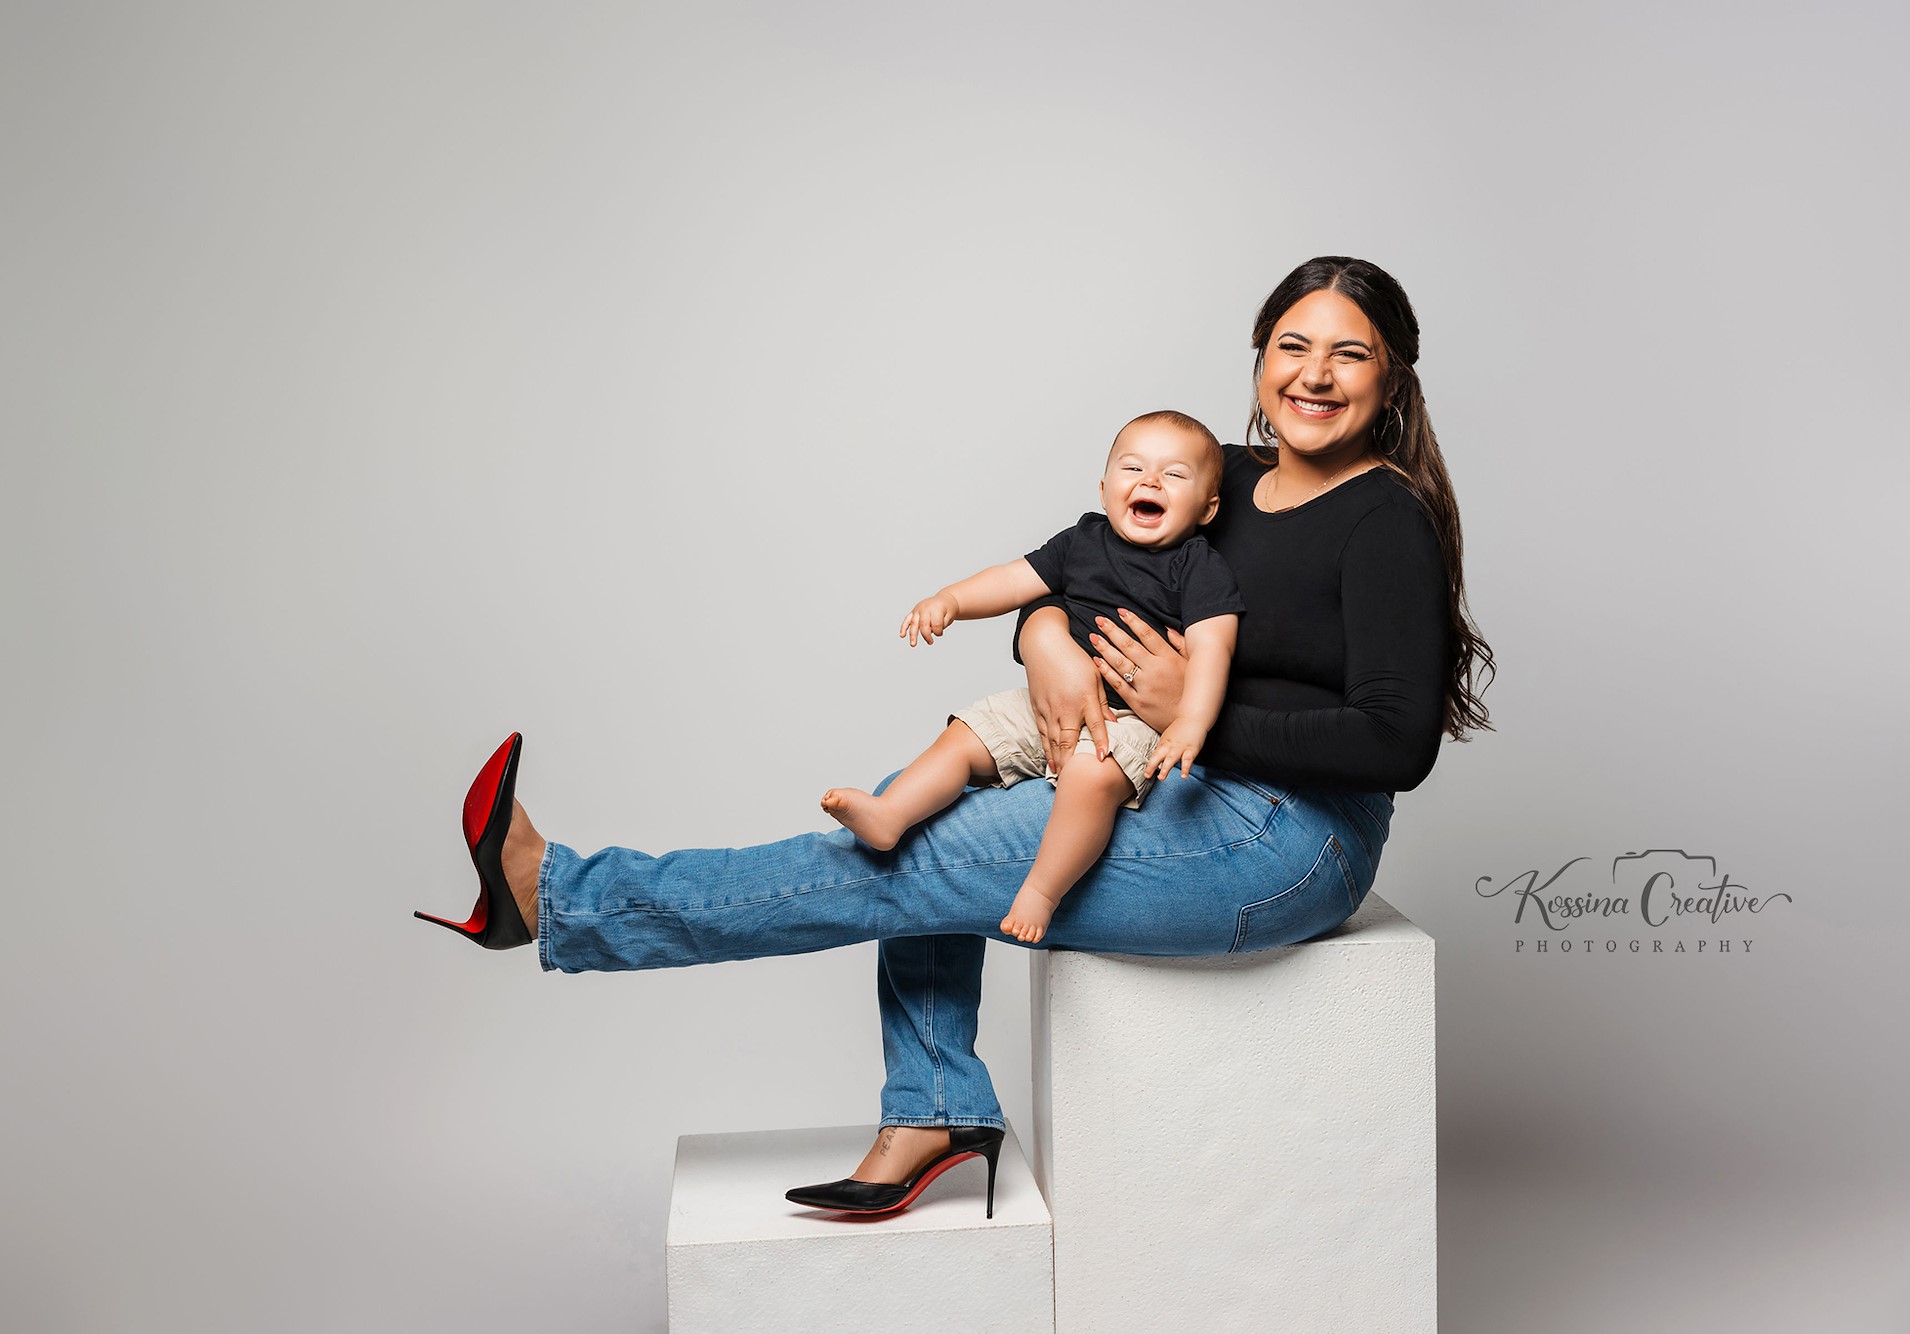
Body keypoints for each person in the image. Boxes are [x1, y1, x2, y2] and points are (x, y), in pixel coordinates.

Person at [414, 255, 1496, 1220]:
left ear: (1392, 378)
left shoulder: (1384, 519)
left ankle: (565, 900)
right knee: (911, 794)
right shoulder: (1210, 474)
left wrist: (1188, 715)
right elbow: (1082, 575)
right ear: (1258, 357)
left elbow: (1395, 745)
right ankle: (933, 1108)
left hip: (1286, 839)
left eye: (1349, 354)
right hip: (1156, 770)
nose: (1314, 375)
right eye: (1293, 346)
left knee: (914, 855)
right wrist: (1044, 640)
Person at [820, 408, 1244, 946]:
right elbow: (1011, 579)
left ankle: (1042, 891)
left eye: (1174, 474)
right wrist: (951, 600)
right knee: (968, 734)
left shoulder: (1199, 567)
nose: (1151, 481)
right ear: (1104, 488)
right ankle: (889, 815)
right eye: (1133, 468)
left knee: (1092, 778)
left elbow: (1212, 648)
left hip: (1128, 720)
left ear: (1207, 508)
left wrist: (1191, 722)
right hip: (1050, 703)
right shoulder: (1082, 540)